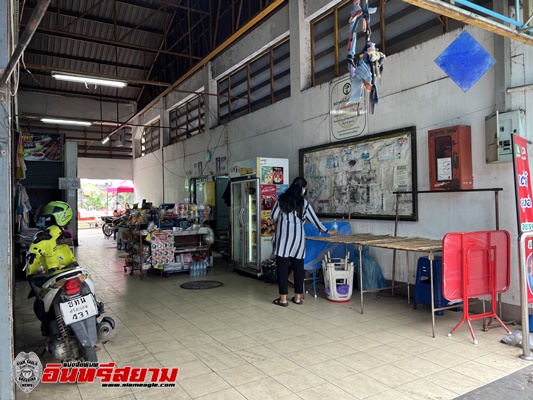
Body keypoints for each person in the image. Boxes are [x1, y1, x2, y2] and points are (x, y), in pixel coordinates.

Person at [271, 177, 338, 307]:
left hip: (283, 239)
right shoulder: (304, 203)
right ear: (302, 189)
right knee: (298, 268)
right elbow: (314, 220)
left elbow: (273, 216)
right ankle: (297, 297)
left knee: (282, 268)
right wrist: (327, 230)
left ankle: (283, 299)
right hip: (298, 240)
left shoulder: (281, 199)